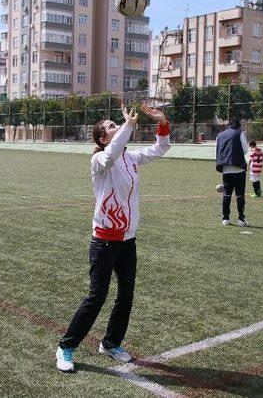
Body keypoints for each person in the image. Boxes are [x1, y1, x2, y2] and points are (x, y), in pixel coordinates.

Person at [56, 104, 170, 373]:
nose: (115, 125)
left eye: (114, 123)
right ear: (102, 139)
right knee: (97, 297)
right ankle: (66, 347)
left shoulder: (131, 158)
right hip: (104, 242)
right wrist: (128, 127)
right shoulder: (99, 161)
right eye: (110, 126)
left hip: (128, 241)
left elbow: (160, 148)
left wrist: (162, 122)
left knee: (126, 295)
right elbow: (109, 157)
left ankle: (110, 343)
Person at [216, 119, 249, 227]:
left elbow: (218, 150)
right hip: (238, 168)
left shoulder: (220, 135)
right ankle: (241, 220)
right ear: (238, 126)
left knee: (226, 195)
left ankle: (225, 219)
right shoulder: (240, 133)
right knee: (240, 196)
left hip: (226, 169)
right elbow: (245, 150)